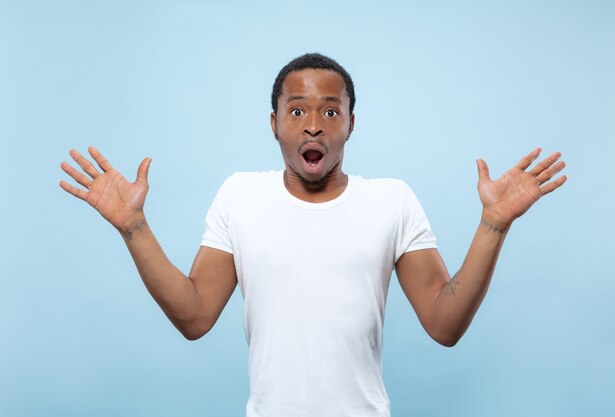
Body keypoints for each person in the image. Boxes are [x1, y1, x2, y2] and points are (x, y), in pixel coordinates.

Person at [59, 53, 567, 417]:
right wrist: (134, 228)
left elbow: (444, 323)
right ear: (274, 123)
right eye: (296, 110)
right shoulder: (239, 195)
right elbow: (194, 316)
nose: (313, 125)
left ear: (350, 123)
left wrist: (493, 225)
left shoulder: (392, 200)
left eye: (330, 110)